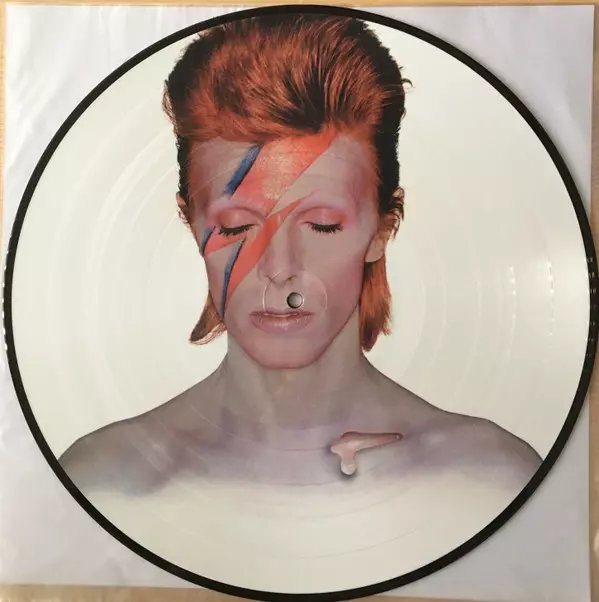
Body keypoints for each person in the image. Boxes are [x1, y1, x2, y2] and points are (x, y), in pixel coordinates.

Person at [60, 14, 541, 499]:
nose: (278, 268)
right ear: (192, 222)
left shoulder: (491, 480)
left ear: (383, 226)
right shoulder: (103, 481)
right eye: (236, 227)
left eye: (322, 224)